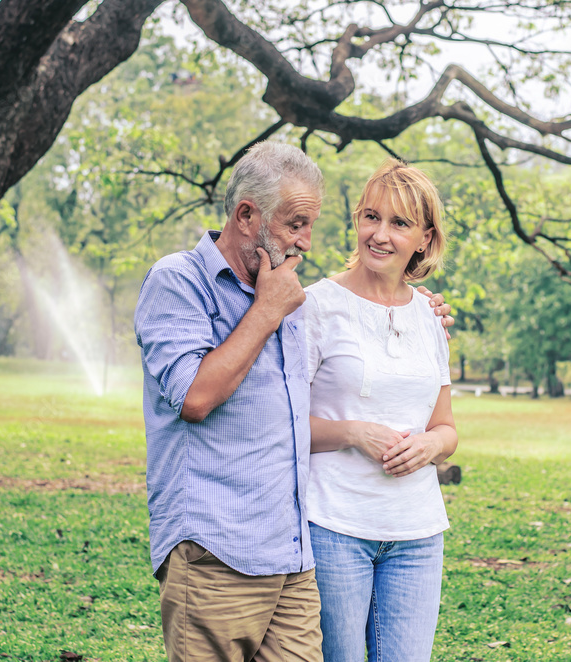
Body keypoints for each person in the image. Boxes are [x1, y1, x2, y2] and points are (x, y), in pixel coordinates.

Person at [134, 142, 452, 662]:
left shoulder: (286, 292)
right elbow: (193, 398)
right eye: (295, 224)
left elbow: (289, 413)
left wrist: (424, 315)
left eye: (310, 224)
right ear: (245, 215)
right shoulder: (186, 281)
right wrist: (268, 310)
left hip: (291, 555)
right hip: (218, 545)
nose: (306, 241)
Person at [303, 159, 458, 662]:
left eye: (399, 223)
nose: (380, 234)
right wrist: (352, 432)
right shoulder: (314, 307)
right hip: (333, 525)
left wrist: (431, 445)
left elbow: (446, 427)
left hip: (417, 533)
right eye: (371, 217)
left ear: (425, 239)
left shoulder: (431, 319)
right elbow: (277, 425)